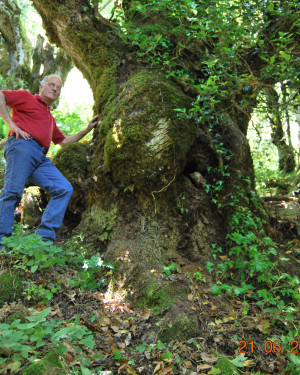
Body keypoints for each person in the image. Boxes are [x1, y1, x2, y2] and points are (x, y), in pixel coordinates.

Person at [0, 74, 98, 248]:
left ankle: (43, 240)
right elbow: (1, 95)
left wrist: (87, 129)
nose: (55, 89)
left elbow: (64, 142)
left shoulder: (49, 118)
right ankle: (2, 241)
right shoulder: (26, 97)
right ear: (41, 87)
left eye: (58, 87)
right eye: (51, 85)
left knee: (64, 188)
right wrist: (12, 125)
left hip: (40, 157)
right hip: (22, 146)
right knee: (12, 192)